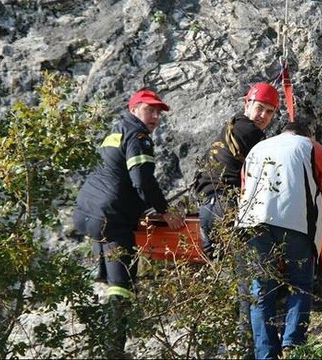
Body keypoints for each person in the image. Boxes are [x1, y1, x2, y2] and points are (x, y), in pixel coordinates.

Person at [72, 88, 184, 357]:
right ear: (134, 109)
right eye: (150, 109)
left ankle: (104, 336)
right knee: (123, 287)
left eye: (159, 112)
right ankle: (114, 349)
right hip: (112, 218)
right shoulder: (138, 135)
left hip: (86, 213)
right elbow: (142, 180)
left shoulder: (116, 130)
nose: (156, 116)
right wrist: (165, 211)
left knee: (111, 280)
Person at [237, 122, 322, 359]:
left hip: (252, 224)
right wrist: (316, 214)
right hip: (295, 225)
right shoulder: (310, 146)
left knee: (261, 291)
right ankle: (292, 345)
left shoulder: (257, 148)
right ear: (308, 134)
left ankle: (265, 353)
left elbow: (244, 188)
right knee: (300, 283)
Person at [193, 82, 280, 260]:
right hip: (226, 207)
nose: (263, 115)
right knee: (247, 271)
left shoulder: (231, 127)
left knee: (222, 271)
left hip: (206, 208)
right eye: (260, 108)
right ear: (247, 104)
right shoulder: (251, 133)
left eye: (269, 112)